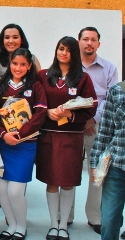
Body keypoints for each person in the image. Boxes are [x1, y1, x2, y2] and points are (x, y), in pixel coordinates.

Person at [35, 36, 97, 240]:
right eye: (61, 48)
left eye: (68, 50)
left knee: (68, 182)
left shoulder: (83, 78)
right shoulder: (44, 75)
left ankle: (63, 226)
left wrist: (70, 115)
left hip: (71, 138)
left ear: (74, 54)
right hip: (49, 137)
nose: (63, 53)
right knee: (51, 182)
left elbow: (91, 106)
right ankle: (53, 224)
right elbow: (34, 102)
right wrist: (47, 112)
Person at [0, 48, 47, 240]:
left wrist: (19, 133)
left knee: (15, 191)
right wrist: (3, 134)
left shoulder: (36, 87)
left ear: (29, 66)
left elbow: (40, 115)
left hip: (25, 144)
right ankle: (11, 225)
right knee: (1, 189)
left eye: (23, 64)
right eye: (15, 63)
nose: (18, 67)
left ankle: (21, 227)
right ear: (10, 64)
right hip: (3, 144)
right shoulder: (1, 85)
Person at [77, 26, 118, 234]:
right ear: (79, 42)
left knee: (97, 171)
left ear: (98, 44)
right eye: (85, 39)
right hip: (73, 126)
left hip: (97, 127)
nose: (89, 43)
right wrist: (80, 120)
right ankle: (64, 217)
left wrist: (92, 119)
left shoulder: (109, 68)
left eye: (93, 40)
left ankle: (94, 216)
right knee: (69, 171)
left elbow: (111, 99)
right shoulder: (71, 67)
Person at [90, 81, 125, 240]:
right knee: (109, 220)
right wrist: (94, 162)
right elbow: (105, 130)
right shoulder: (118, 91)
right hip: (117, 165)